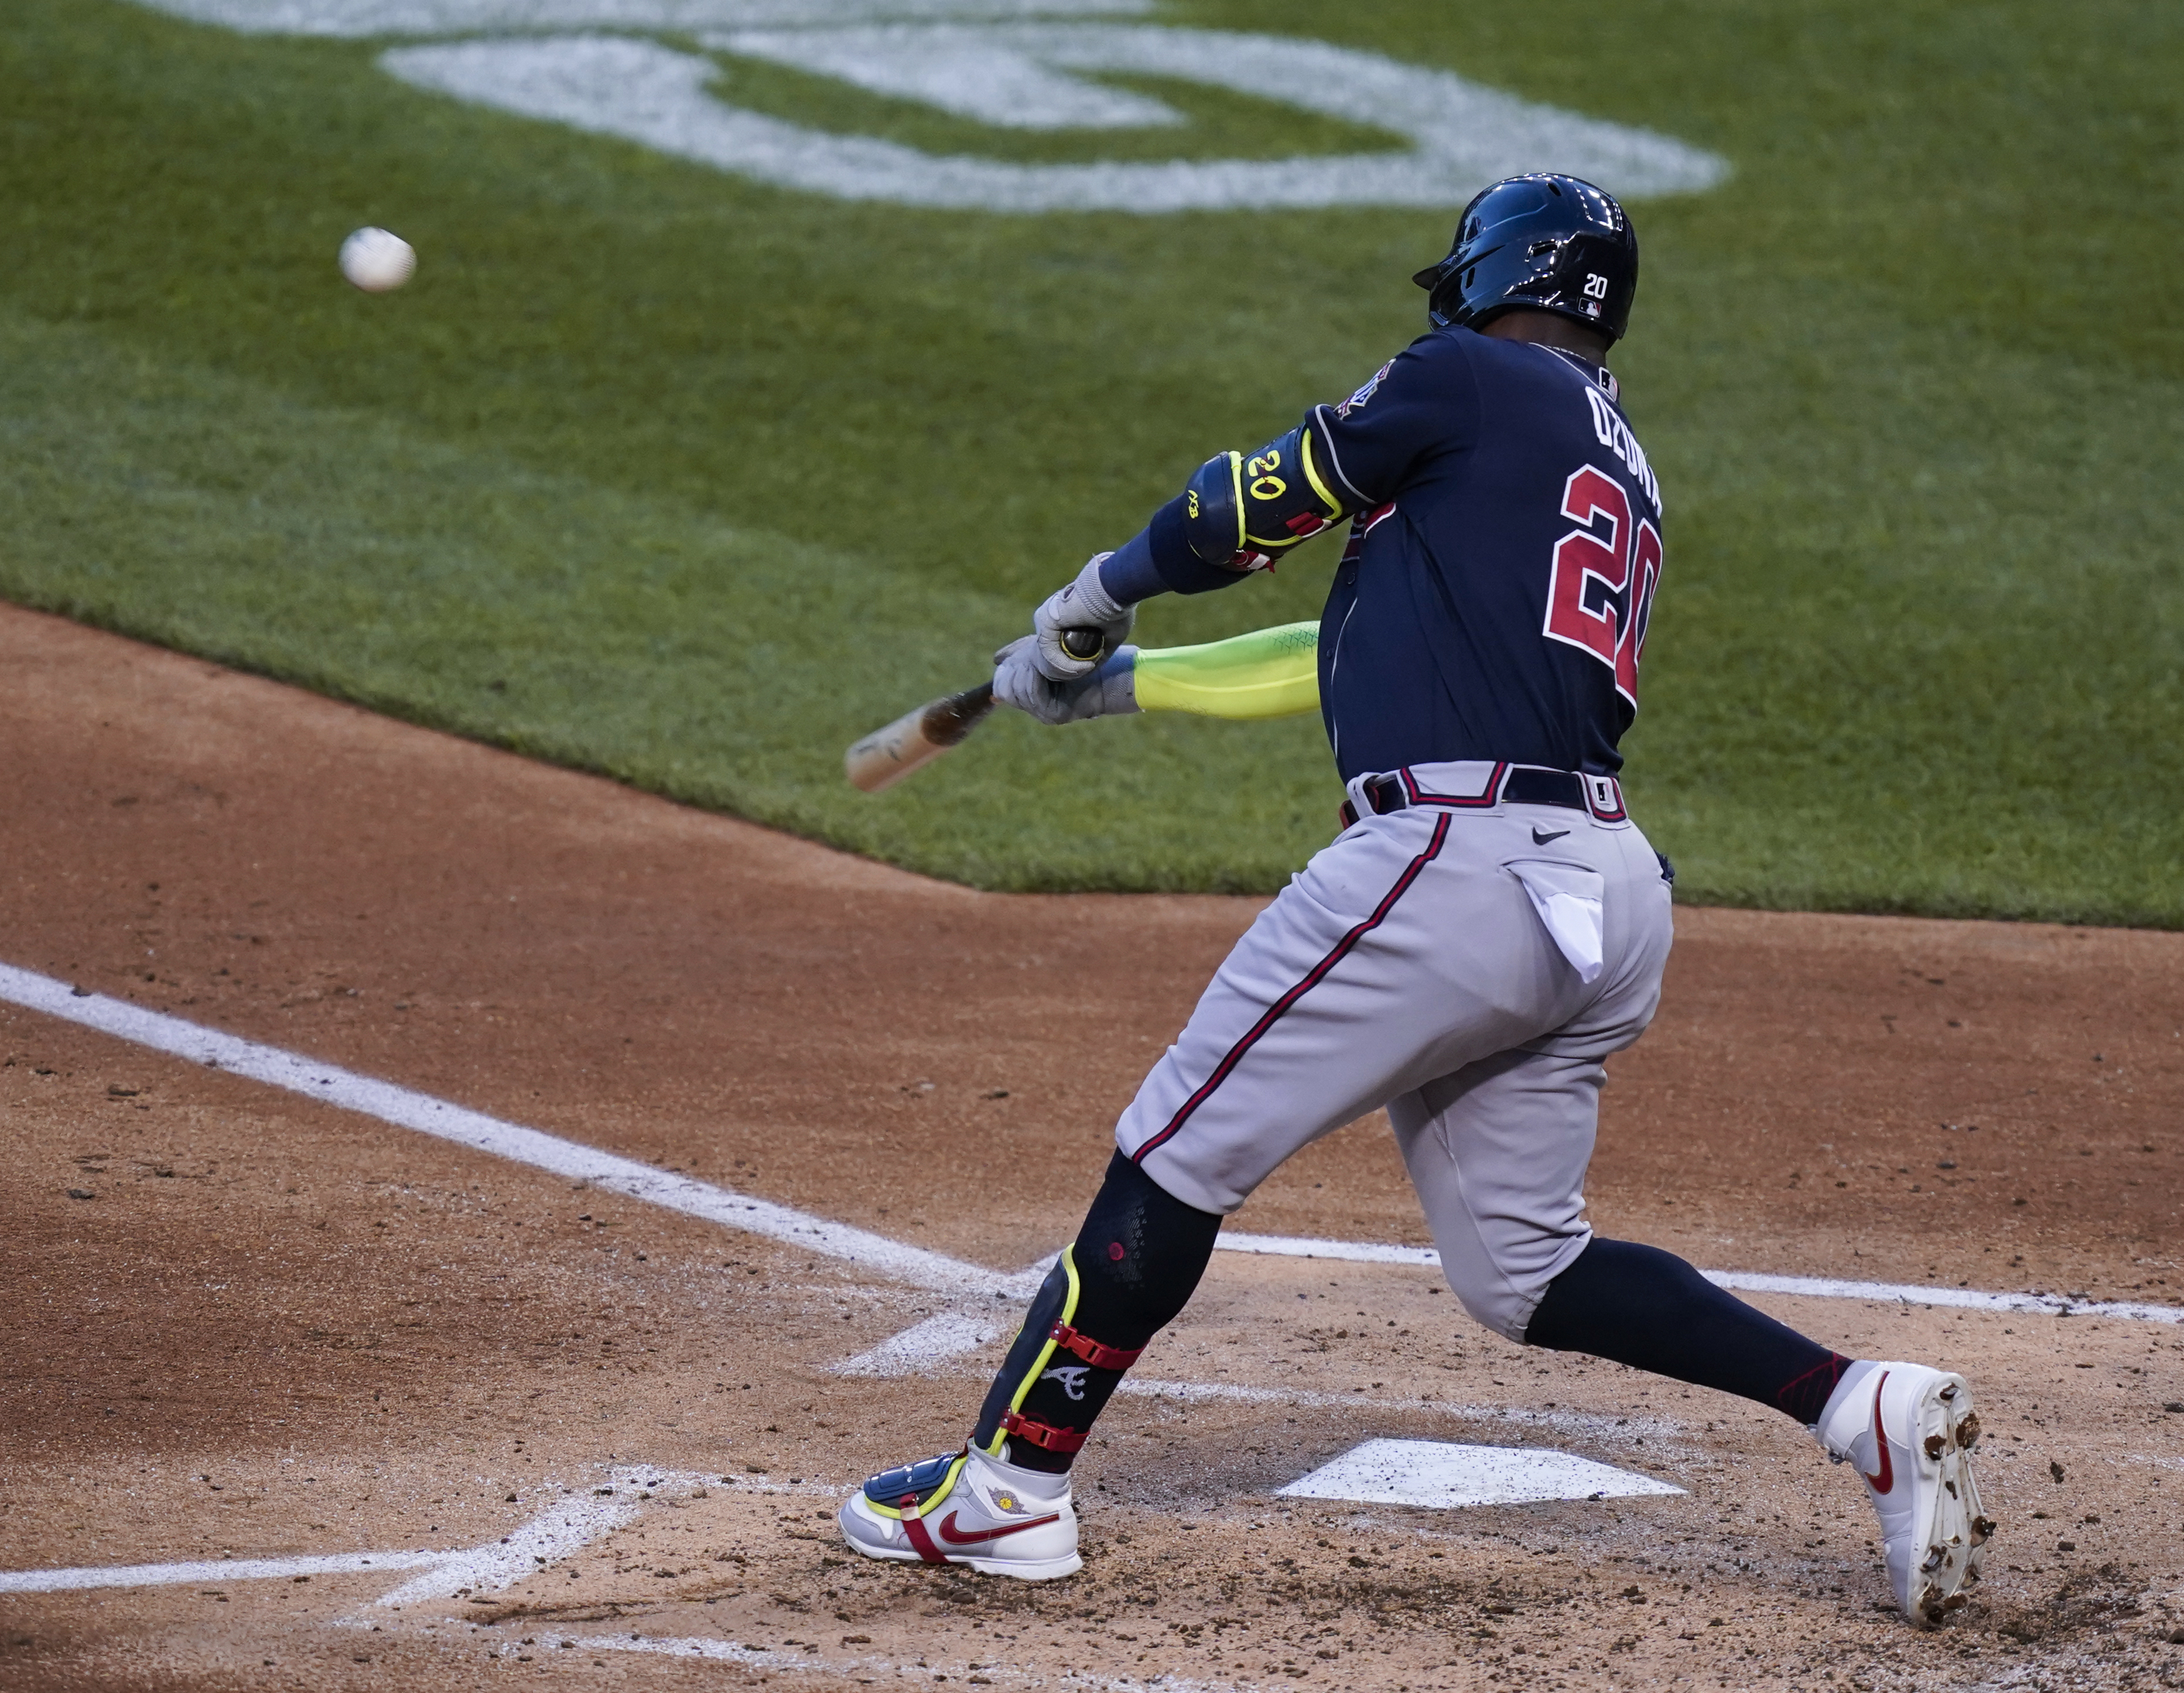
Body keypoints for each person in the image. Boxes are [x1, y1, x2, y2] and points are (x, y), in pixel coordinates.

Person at [833, 175, 1992, 1625]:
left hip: (1449, 868)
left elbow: (1252, 503)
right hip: (1602, 890)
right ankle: (1853, 1405)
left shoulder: (1463, 374)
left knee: (1173, 1153)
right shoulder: (1597, 452)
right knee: (1522, 1269)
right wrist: (1111, 687)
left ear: (1487, 274)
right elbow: (1349, 636)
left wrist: (1101, 591)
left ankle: (1002, 1494)